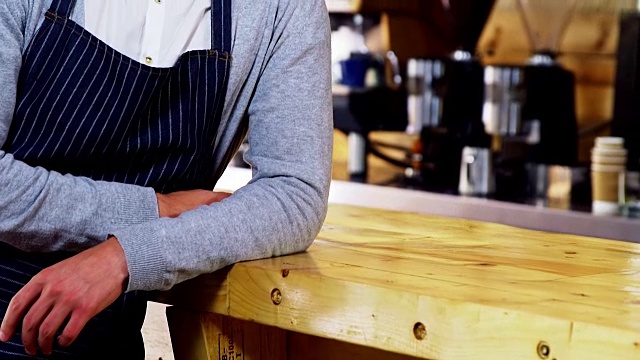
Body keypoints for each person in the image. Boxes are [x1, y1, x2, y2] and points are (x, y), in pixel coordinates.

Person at [0, 0, 332, 358]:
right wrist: (156, 208)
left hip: (107, 341)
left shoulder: (284, 9)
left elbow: (294, 195)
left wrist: (128, 257)